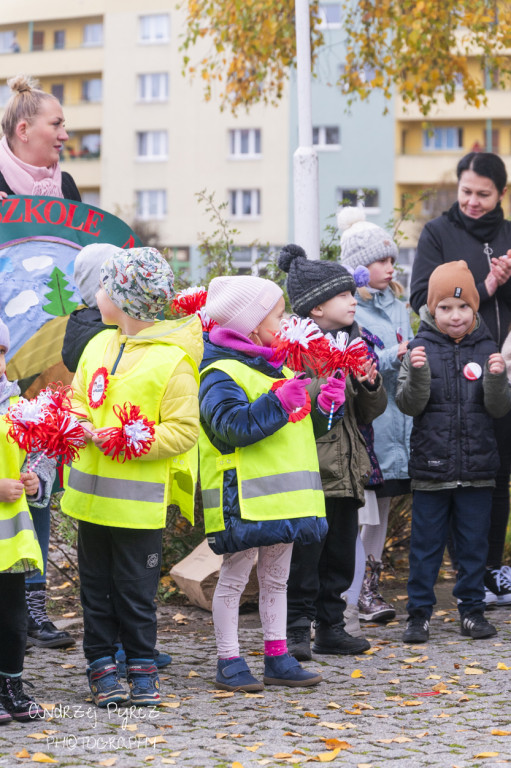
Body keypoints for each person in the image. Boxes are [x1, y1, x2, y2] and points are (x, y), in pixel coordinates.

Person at [60, 247, 202, 708]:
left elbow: (183, 431)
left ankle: (142, 671)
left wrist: (128, 440)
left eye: (103, 286)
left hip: (138, 508)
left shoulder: (172, 362)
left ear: (123, 298)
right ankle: (101, 671)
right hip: (89, 502)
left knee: (136, 595)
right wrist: (77, 420)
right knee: (95, 593)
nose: (96, 294)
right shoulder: (98, 344)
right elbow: (79, 396)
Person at [200, 275, 333, 691]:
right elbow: (230, 427)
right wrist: (278, 401)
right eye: (279, 314)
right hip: (244, 499)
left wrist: (326, 410)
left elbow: (296, 430)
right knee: (236, 577)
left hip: (281, 500)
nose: (287, 320)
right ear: (253, 325)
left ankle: (277, 656)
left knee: (277, 579)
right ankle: (229, 660)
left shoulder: (283, 366)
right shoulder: (219, 372)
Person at [0, 73, 81, 649]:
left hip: (51, 360)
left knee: (40, 481)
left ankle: (34, 606)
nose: (65, 134)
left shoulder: (67, 186)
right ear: (24, 129)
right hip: (1, 358)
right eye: (56, 124)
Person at [410, 152, 511, 606]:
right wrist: (487, 286)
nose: (472, 201)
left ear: (501, 195)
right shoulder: (438, 233)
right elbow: (421, 299)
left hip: (502, 369)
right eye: (466, 191)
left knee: (497, 471)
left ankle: (490, 571)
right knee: (457, 474)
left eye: (483, 194)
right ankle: (465, 575)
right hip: (453, 375)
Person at [278, 245, 387, 660]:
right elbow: (288, 402)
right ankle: (294, 632)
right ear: (317, 308)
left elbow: (368, 412)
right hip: (310, 473)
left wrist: (370, 384)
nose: (352, 299)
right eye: (343, 295)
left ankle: (331, 628)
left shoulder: (352, 344)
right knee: (305, 560)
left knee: (339, 557)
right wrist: (321, 386)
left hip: (345, 470)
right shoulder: (295, 349)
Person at [397, 260, 511, 643]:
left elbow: (498, 408)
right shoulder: (419, 347)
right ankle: (418, 615)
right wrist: (415, 373)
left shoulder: (487, 346)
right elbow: (409, 405)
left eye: (463, 307)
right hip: (432, 470)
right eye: (445, 307)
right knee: (425, 548)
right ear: (431, 309)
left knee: (473, 547)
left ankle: (472, 611)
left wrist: (497, 378)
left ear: (475, 308)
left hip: (478, 469)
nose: (455, 315)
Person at [339, 208, 413, 628]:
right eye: (381, 260)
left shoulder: (398, 305)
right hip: (368, 427)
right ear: (359, 267)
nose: (390, 266)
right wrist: (394, 354)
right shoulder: (353, 310)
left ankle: (370, 584)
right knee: (360, 511)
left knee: (380, 512)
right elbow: (357, 359)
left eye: (391, 259)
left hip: (396, 424)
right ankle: (353, 589)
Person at [0, 318, 50, 722]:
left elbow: (35, 456)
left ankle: (11, 684)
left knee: (13, 618)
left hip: (10, 540)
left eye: (2, 353)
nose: (1, 364)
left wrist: (34, 480)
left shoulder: (17, 407)